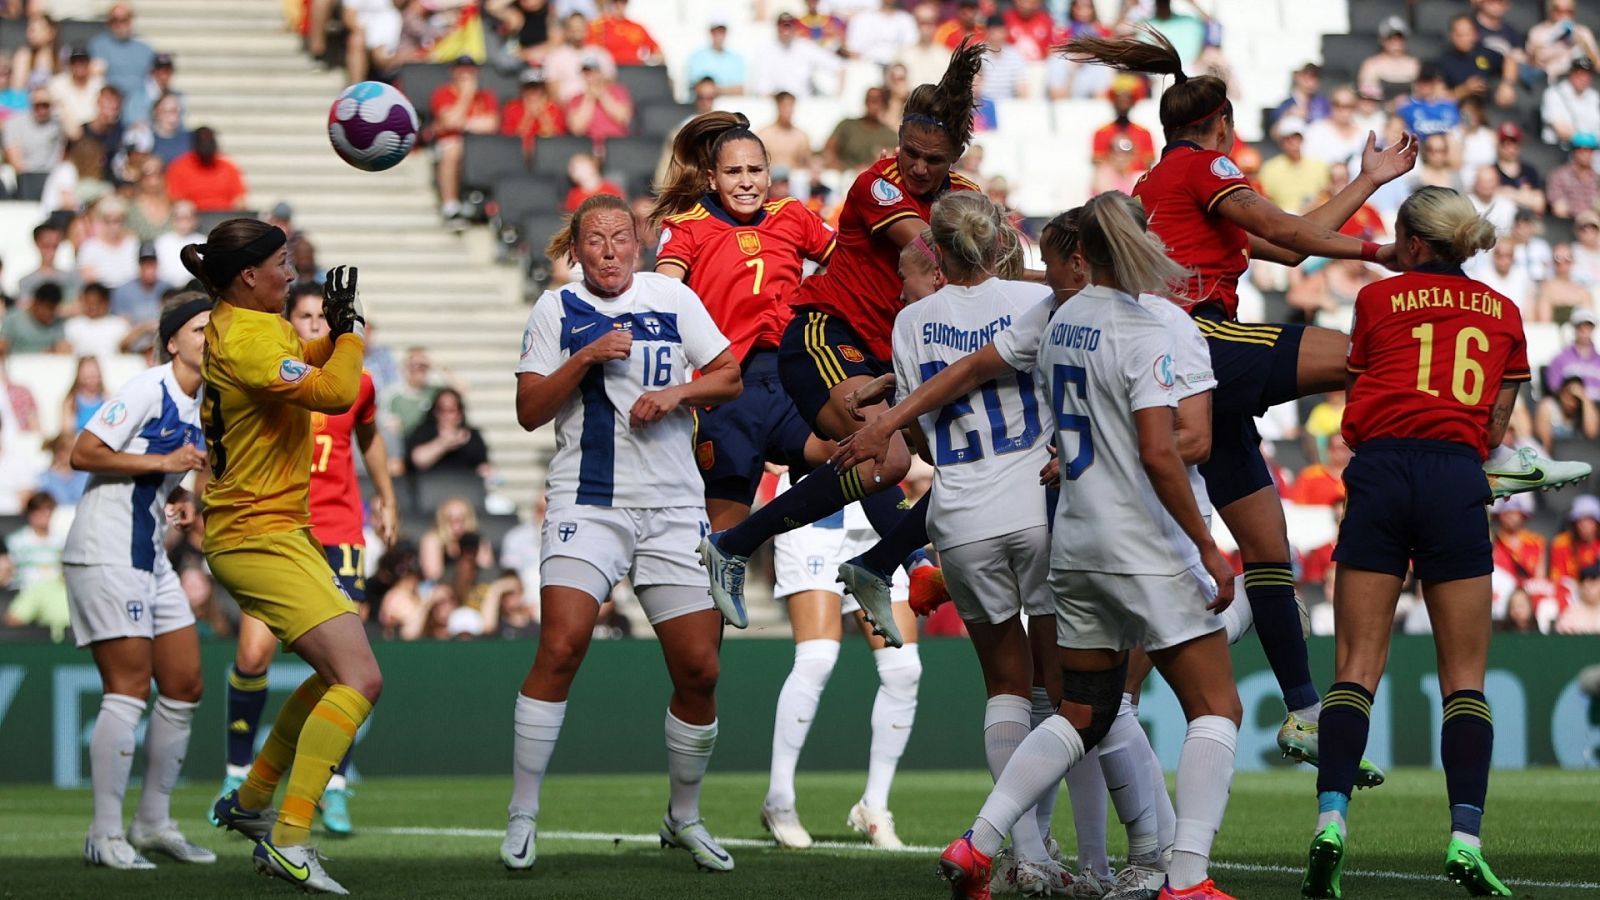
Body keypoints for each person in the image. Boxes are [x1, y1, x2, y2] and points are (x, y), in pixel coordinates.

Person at [1064, 26, 1585, 772]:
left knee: (1270, 551)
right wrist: (1389, 254)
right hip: (1198, 343)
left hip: (1189, 374)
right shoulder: (1203, 165)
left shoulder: (1164, 183)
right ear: (1224, 127)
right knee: (1374, 353)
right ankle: (1481, 451)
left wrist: (1368, 183)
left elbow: (1289, 244)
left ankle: (1305, 712)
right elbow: (1285, 228)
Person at [932, 190, 1241, 900]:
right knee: (1217, 706)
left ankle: (978, 844)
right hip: (1141, 542)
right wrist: (1208, 547)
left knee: (1082, 710)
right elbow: (1165, 456)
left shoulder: (1061, 319)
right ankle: (1187, 879)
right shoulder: (1148, 329)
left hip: (1073, 543)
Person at [698, 43, 988, 646]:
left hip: (893, 359)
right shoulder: (876, 186)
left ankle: (878, 563)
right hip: (827, 337)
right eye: (909, 151)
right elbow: (944, 253)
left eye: (933, 159)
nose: (917, 168)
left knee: (975, 465)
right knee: (889, 458)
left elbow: (993, 260)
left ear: (955, 156)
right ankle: (736, 544)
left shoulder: (963, 196)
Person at [503, 193, 742, 872]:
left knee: (700, 669)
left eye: (621, 238)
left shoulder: (671, 297)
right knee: (561, 645)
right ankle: (522, 813)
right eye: (595, 241)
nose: (609, 251)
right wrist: (584, 359)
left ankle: (683, 817)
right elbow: (526, 410)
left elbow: (728, 375)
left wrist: (676, 395)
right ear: (575, 252)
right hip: (589, 502)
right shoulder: (557, 309)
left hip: (673, 506)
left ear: (639, 244)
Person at [1300, 186, 1518, 900]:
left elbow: (1364, 379)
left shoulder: (1375, 300)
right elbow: (1491, 433)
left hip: (1383, 472)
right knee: (1465, 680)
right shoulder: (1507, 314)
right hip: (1456, 478)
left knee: (1357, 666)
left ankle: (1332, 821)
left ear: (1415, 244)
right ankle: (1464, 838)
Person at [191, 219, 377, 894]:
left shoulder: (248, 325)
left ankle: (251, 801)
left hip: (275, 530)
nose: (292, 272)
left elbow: (300, 362)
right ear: (249, 275)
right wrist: (351, 332)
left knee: (340, 675)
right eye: (282, 263)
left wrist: (328, 335)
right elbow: (334, 392)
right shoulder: (246, 337)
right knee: (359, 679)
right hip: (255, 535)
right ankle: (291, 840)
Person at [208, 282, 397, 839]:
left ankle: (328, 785)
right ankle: (244, 780)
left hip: (336, 531)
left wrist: (385, 496)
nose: (315, 323)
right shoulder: (272, 370)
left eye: (322, 315)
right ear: (289, 321)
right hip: (277, 534)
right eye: (305, 315)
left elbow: (368, 434)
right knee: (256, 651)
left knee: (345, 668)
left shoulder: (353, 383)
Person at [60, 297, 214, 870]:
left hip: (147, 555)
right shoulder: (148, 386)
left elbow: (160, 464)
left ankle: (152, 823)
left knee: (185, 682)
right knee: (128, 686)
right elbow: (84, 451)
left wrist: (174, 492)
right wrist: (163, 465)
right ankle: (104, 833)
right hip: (105, 552)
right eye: (201, 328)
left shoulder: (201, 401)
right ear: (173, 341)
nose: (211, 335)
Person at [649, 112, 838, 534]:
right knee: (722, 536)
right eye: (733, 172)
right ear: (713, 178)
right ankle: (737, 552)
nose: (746, 181)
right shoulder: (687, 226)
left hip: (793, 382)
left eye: (755, 170)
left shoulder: (792, 215)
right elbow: (663, 296)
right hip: (727, 392)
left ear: (771, 174)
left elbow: (849, 266)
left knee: (860, 454)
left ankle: (907, 561)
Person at [430, 56, 500, 223]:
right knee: (452, 150)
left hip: (480, 145)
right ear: (453, 71)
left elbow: (491, 124)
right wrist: (466, 95)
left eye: (470, 69)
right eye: (461, 69)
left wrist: (463, 123)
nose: (465, 74)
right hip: (450, 144)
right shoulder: (443, 93)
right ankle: (450, 206)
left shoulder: (486, 96)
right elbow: (449, 121)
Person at [87, 3, 155, 127]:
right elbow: (94, 79)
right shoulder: (98, 45)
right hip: (108, 106)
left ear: (131, 20)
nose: (119, 24)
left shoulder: (145, 49)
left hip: (137, 108)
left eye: (124, 19)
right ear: (108, 22)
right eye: (115, 20)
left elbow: (153, 84)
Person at [405, 387, 490, 477]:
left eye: (451, 410)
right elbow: (419, 460)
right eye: (441, 410)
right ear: (435, 412)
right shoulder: (424, 432)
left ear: (459, 413)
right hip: (430, 487)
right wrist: (444, 443)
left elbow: (483, 466)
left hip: (464, 487)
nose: (445, 415)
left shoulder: (472, 436)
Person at [164, 127, 247, 212]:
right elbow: (175, 199)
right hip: (194, 217)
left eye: (209, 139)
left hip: (224, 216)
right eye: (202, 140)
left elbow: (239, 199)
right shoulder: (178, 167)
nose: (206, 144)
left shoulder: (228, 167)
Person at [823, 86, 898, 172]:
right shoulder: (847, 125)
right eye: (872, 101)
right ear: (866, 102)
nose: (876, 105)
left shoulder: (890, 135)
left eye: (880, 101)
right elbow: (829, 151)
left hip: (872, 178)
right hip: (844, 175)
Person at [1091, 74, 1155, 168]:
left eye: (1127, 99)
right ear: (1113, 101)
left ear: (1133, 102)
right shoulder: (1101, 133)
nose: (1123, 103)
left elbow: (1147, 166)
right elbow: (1099, 166)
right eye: (1120, 99)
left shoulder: (1144, 133)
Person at [1528, 0, 1599, 82]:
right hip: (1548, 80)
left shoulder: (1583, 32)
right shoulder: (1537, 32)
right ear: (1551, 10)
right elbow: (1531, 64)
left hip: (1577, 81)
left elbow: (1597, 65)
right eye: (1558, 10)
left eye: (1569, 11)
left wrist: (1583, 45)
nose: (1564, 15)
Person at [500, 68, 565, 153]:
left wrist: (542, 114)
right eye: (529, 88)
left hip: (547, 153)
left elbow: (555, 139)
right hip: (517, 154)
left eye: (537, 88)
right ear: (522, 90)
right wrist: (528, 115)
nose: (533, 93)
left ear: (543, 90)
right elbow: (512, 142)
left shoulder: (554, 109)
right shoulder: (512, 108)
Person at [3, 86, 65, 175]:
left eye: (45, 105)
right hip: (25, 173)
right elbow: (15, 159)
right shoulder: (15, 123)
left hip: (52, 174)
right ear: (30, 105)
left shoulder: (58, 123)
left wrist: (60, 107)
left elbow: (75, 135)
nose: (42, 110)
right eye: (37, 105)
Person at [1541, 55, 1600, 145]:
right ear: (1571, 73)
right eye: (1579, 73)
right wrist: (1588, 140)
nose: (1583, 78)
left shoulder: (1594, 96)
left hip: (1590, 151)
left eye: (1587, 75)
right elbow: (1561, 130)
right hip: (1559, 149)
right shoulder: (1554, 93)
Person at [1358, 16, 1419, 97]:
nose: (1395, 42)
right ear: (1382, 40)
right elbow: (1366, 95)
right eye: (1390, 38)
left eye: (1399, 38)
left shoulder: (1415, 64)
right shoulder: (1371, 65)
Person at [1545, 307, 1600, 398]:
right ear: (1574, 328)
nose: (1584, 329)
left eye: (1588, 326)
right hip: (1570, 407)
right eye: (1580, 326)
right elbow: (1554, 388)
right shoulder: (1560, 359)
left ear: (1593, 328)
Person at [2, 281, 69, 353]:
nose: (50, 313)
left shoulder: (58, 322)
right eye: (48, 308)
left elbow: (63, 347)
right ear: (36, 303)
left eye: (53, 309)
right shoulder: (12, 319)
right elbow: (3, 346)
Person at [685, 16, 745, 96]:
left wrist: (713, 90)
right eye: (715, 31)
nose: (719, 35)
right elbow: (697, 88)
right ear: (710, 32)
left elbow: (740, 90)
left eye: (722, 31)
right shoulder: (697, 57)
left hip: (729, 106)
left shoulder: (736, 59)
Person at [1544, 132, 1599, 219]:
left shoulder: (1597, 178)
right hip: (1566, 225)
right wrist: (1585, 214)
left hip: (1593, 227)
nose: (1586, 154)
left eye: (1590, 150)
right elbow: (1559, 208)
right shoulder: (1559, 175)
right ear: (1574, 151)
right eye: (1581, 150)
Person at [758, 91, 812, 172]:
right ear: (778, 106)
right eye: (785, 106)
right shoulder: (764, 135)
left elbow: (806, 165)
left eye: (791, 106)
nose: (788, 110)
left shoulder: (802, 136)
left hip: (794, 180)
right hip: (771, 179)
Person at [59, 355, 107, 435]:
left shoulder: (107, 399)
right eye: (87, 375)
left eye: (94, 373)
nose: (91, 377)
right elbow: (67, 433)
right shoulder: (71, 402)